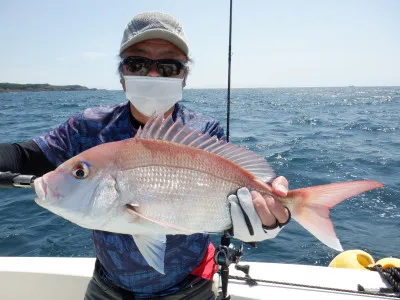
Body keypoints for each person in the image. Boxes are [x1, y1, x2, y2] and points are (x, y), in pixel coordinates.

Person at [0, 12, 290, 299]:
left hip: (190, 285)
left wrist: (266, 217)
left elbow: (232, 190)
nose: (152, 74)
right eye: (137, 63)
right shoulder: (89, 127)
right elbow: (24, 156)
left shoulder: (204, 130)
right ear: (123, 76)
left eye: (168, 66)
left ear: (184, 77)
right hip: (108, 285)